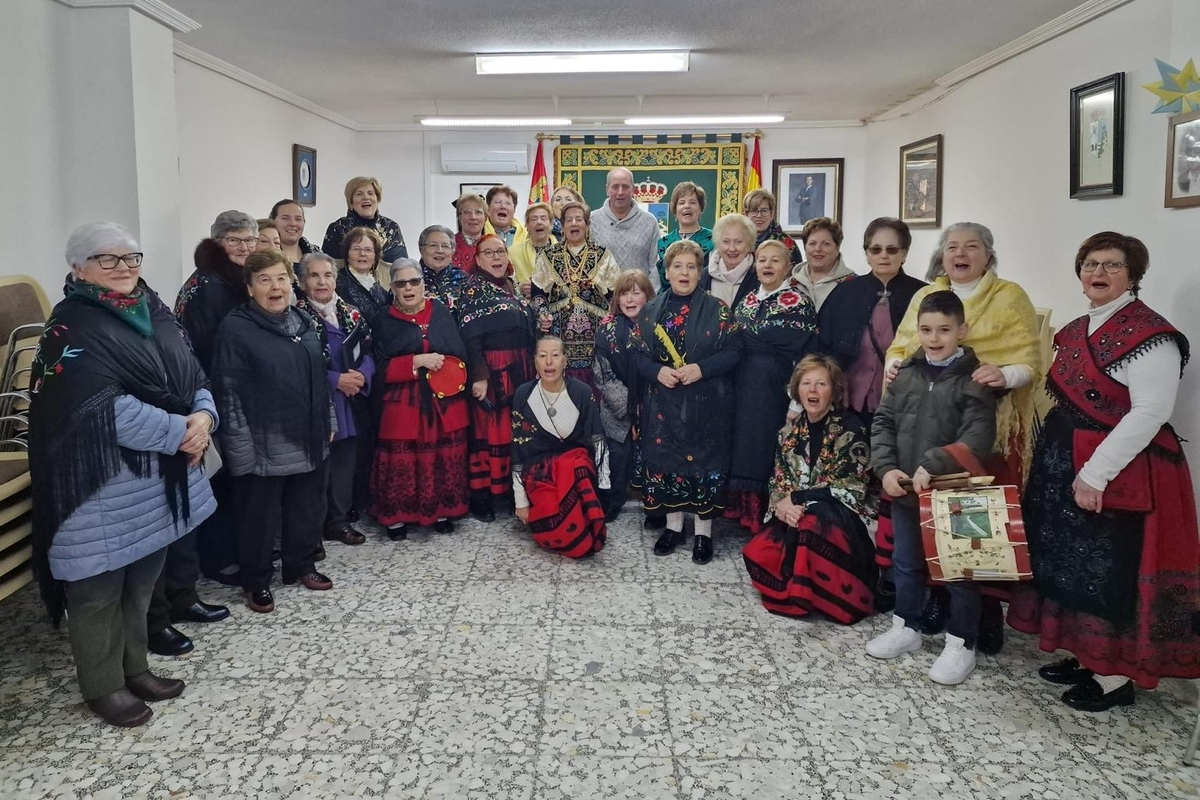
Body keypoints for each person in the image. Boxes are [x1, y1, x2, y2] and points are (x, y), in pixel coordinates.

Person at [30, 222, 215, 726]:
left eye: (131, 258)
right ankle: (103, 686)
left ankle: (136, 669)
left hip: (155, 480)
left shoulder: (153, 310)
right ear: (78, 267)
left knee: (140, 583)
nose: (124, 268)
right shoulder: (70, 327)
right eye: (107, 259)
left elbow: (193, 372)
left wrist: (204, 417)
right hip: (97, 483)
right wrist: (181, 430)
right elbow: (97, 409)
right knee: (95, 591)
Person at [1008, 232, 1200, 711]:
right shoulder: (1077, 328)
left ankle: (1115, 676)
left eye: (1113, 265)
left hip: (1121, 473)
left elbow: (1149, 412)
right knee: (1073, 565)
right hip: (1067, 462)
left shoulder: (1152, 336)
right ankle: (1087, 655)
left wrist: (1096, 474)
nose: (1099, 273)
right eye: (1091, 264)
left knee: (1110, 571)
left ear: (1133, 275)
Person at [866, 291, 997, 686]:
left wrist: (934, 463)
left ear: (962, 330)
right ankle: (906, 625)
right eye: (926, 330)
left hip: (956, 492)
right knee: (906, 563)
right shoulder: (906, 372)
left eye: (944, 329)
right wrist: (886, 468)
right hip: (908, 490)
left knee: (961, 571)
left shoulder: (974, 380)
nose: (934, 338)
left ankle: (961, 643)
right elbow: (883, 421)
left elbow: (978, 435)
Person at [210, 248, 335, 614]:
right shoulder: (235, 329)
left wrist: (329, 421)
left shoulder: (302, 322)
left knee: (306, 509)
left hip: (309, 434)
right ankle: (257, 582)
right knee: (259, 519)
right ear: (249, 288)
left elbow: (320, 378)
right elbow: (228, 393)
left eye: (281, 278)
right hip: (263, 442)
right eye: (264, 280)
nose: (275, 287)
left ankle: (301, 566)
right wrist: (240, 448)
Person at [631, 239, 741, 565]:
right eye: (677, 266)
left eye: (691, 266)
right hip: (663, 404)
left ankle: (703, 534)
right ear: (667, 272)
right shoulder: (651, 310)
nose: (684, 272)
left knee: (704, 464)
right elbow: (637, 355)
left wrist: (701, 369)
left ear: (700, 271)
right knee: (669, 462)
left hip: (706, 403)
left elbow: (735, 352)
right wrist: (656, 371)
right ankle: (674, 528)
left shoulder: (719, 308)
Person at [742, 356, 877, 622]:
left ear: (834, 390)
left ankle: (819, 596)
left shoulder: (851, 428)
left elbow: (852, 488)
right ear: (797, 390)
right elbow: (779, 480)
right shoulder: (789, 432)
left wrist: (799, 499)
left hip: (845, 517)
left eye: (821, 384)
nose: (812, 391)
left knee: (809, 524)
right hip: (798, 510)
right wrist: (783, 506)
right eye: (806, 384)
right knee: (757, 551)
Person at [173, 211, 258, 600]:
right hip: (213, 394)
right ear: (218, 242)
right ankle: (219, 559)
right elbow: (213, 349)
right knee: (220, 479)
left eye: (250, 240)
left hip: (221, 393)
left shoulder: (226, 277)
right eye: (235, 240)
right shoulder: (210, 285)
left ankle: (229, 553)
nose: (244, 247)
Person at [369, 259, 469, 537]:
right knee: (403, 459)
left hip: (443, 399)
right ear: (393, 288)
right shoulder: (383, 320)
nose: (409, 288)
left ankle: (441, 512)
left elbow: (458, 351)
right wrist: (415, 361)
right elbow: (376, 368)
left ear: (424, 284)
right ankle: (397, 517)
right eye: (401, 283)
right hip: (404, 401)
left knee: (442, 455)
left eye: (414, 282)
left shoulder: (440, 312)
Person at [725, 240, 817, 534]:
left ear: (788, 266)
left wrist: (796, 401)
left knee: (766, 446)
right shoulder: (748, 299)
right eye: (762, 260)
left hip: (773, 389)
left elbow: (805, 358)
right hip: (740, 385)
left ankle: (765, 515)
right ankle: (739, 510)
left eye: (775, 260)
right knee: (741, 444)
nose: (767, 265)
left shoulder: (799, 302)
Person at [295, 253, 375, 550]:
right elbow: (298, 363)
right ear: (303, 282)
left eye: (327, 275)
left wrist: (362, 375)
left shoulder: (351, 313)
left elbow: (369, 350)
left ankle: (339, 521)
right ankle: (311, 532)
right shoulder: (295, 317)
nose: (322, 281)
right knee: (317, 470)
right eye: (314, 276)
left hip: (351, 401)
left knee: (345, 463)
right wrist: (335, 380)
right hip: (317, 402)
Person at [456, 235, 536, 522]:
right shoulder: (472, 289)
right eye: (488, 253)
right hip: (491, 372)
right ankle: (482, 498)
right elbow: (471, 336)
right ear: (477, 259)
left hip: (520, 369)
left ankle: (507, 493)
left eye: (501, 251)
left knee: (513, 432)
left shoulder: (510, 287)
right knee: (489, 433)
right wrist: (479, 376)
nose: (496, 257)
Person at [818, 217, 926, 429]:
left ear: (904, 254)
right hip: (850, 403)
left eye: (892, 249)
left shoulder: (922, 294)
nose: (883, 255)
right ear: (867, 254)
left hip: (904, 404)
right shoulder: (845, 292)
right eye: (875, 249)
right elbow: (823, 346)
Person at [512, 336, 609, 558]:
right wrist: (521, 502)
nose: (549, 362)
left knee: (578, 467)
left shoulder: (583, 392)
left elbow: (597, 439)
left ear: (565, 361)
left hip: (575, 468)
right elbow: (518, 450)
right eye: (542, 356)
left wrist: (603, 488)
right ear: (534, 361)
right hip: (539, 472)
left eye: (555, 355)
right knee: (553, 531)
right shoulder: (523, 394)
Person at [530, 201, 620, 387]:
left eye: (579, 219)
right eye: (568, 220)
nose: (574, 224)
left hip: (596, 334)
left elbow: (615, 295)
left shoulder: (602, 255)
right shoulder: (549, 255)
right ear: (562, 225)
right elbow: (538, 292)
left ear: (587, 225)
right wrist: (542, 314)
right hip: (559, 334)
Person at [593, 270, 655, 522]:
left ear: (648, 296)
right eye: (624, 293)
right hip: (616, 405)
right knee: (618, 455)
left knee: (655, 454)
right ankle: (613, 500)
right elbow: (602, 374)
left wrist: (645, 405)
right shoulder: (606, 328)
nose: (629, 299)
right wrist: (630, 407)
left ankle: (655, 506)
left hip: (654, 402)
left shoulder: (657, 324)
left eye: (636, 293)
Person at [590, 167, 662, 290]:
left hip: (640, 301)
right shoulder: (592, 221)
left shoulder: (649, 222)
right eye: (615, 187)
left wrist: (651, 299)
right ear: (607, 189)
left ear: (633, 190)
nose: (620, 192)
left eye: (625, 186)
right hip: (602, 301)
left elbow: (655, 265)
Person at [322, 176, 408, 262]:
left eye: (370, 193)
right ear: (351, 202)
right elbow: (328, 267)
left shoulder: (391, 227)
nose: (366, 197)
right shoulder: (337, 228)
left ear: (377, 200)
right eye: (359, 194)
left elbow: (403, 265)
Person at [655, 182, 713, 287]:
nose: (687, 206)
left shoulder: (713, 240)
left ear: (700, 209)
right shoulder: (663, 243)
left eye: (692, 202)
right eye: (681, 203)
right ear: (675, 210)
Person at [793, 217, 856, 310]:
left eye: (826, 244)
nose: (818, 249)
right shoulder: (789, 285)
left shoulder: (855, 286)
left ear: (837, 248)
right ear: (805, 247)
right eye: (812, 243)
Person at [699, 213, 760, 309]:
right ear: (718, 244)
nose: (732, 248)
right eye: (726, 242)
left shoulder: (760, 276)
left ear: (749, 244)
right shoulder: (703, 278)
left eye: (738, 242)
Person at [334, 227, 391, 324]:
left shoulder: (379, 287)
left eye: (368, 250)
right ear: (347, 255)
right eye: (356, 249)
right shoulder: (337, 283)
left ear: (375, 256)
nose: (362, 254)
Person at [743, 189, 802, 266]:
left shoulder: (786, 242)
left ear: (772, 214)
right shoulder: (738, 240)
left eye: (764, 211)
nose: (759, 215)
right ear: (746, 214)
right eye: (754, 211)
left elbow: (797, 273)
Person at [509, 203, 557, 295]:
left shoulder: (563, 251)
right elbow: (506, 282)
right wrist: (518, 287)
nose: (539, 222)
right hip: (525, 304)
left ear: (551, 224)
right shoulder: (513, 252)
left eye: (543, 218)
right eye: (534, 219)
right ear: (527, 226)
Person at [417, 224, 468, 309]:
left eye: (445, 246)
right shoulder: (409, 278)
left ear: (453, 251)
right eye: (433, 245)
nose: (439, 251)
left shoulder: (463, 280)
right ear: (421, 249)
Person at [270, 199, 321, 271]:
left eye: (298, 219)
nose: (293, 223)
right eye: (285, 218)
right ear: (272, 221)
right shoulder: (266, 255)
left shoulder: (317, 254)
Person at [452, 192, 488, 272]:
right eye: (467, 212)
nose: (473, 217)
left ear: (485, 217)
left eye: (478, 212)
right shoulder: (448, 244)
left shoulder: (493, 244)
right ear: (459, 217)